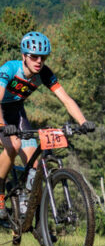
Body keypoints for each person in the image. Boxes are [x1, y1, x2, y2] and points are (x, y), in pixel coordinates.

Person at [0, 32, 94, 228]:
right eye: (34, 56)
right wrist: (2, 125)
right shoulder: (10, 69)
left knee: (35, 167)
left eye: (43, 57)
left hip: (17, 114)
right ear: (24, 56)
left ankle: (35, 221)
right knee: (14, 145)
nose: (39, 61)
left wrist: (83, 121)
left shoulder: (44, 73)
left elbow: (66, 99)